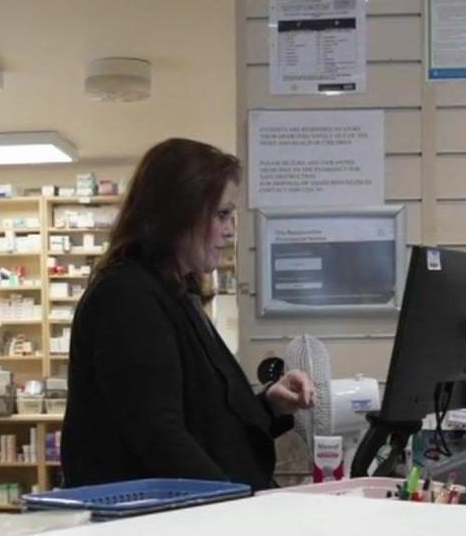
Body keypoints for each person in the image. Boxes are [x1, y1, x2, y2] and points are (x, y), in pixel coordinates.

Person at [63, 138, 314, 490]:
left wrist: (271, 405)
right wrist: (236, 506)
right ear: (179, 213)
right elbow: (159, 437)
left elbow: (205, 418)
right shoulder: (128, 298)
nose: (230, 231)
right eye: (222, 215)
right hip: (150, 529)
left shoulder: (175, 293)